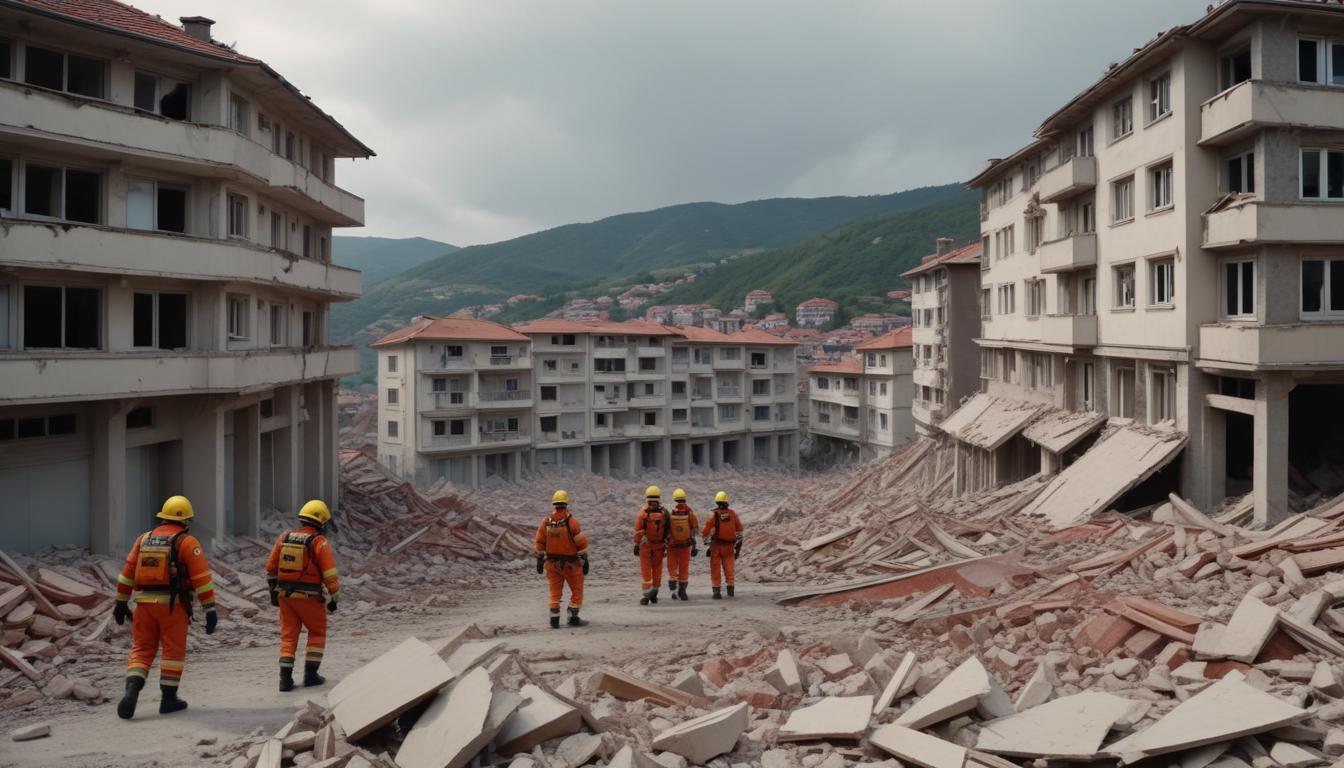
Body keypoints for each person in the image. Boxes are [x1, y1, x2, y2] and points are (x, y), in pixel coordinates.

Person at [112, 495, 218, 719]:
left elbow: (127, 574)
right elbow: (202, 579)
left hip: (143, 605)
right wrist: (210, 609)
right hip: (173, 606)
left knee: (141, 650)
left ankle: (131, 690)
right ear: (186, 521)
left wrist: (121, 602)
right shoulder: (187, 542)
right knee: (172, 652)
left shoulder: (143, 540)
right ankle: (168, 699)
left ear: (162, 517)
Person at [266, 499, 341, 692]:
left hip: (285, 596)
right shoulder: (318, 542)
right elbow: (329, 574)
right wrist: (335, 596)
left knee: (288, 636)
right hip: (309, 597)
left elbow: (271, 568)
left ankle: (285, 679)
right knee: (317, 633)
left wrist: (273, 593)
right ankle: (310, 675)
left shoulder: (284, 537)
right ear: (321, 522)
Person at [535, 490, 590, 628]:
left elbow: (539, 542)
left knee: (554, 592)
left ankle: (554, 619)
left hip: (552, 564)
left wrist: (540, 558)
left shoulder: (546, 522)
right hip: (571, 565)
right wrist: (585, 559)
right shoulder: (572, 522)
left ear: (554, 504)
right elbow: (581, 543)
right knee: (577, 590)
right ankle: (572, 617)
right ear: (566, 504)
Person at [702, 491, 744, 599]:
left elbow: (705, 531)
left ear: (717, 502)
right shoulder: (732, 514)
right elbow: (739, 530)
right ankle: (730, 590)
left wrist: (707, 542)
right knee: (729, 568)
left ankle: (716, 592)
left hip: (716, 546)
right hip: (729, 546)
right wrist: (737, 548)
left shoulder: (714, 515)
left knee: (715, 568)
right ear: (726, 502)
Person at [633, 486, 669, 605]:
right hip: (659, 546)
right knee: (657, 569)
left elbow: (638, 531)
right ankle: (655, 593)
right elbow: (668, 529)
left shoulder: (643, 512)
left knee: (646, 570)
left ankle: (646, 594)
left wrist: (637, 544)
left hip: (646, 546)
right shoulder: (664, 512)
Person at [665, 488, 699, 601]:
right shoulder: (689, 511)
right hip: (685, 545)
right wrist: (693, 543)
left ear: (674, 499)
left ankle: (673, 589)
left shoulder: (670, 511)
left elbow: (665, 528)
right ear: (684, 499)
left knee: (672, 568)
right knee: (684, 568)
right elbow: (694, 528)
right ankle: (683, 591)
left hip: (672, 545)